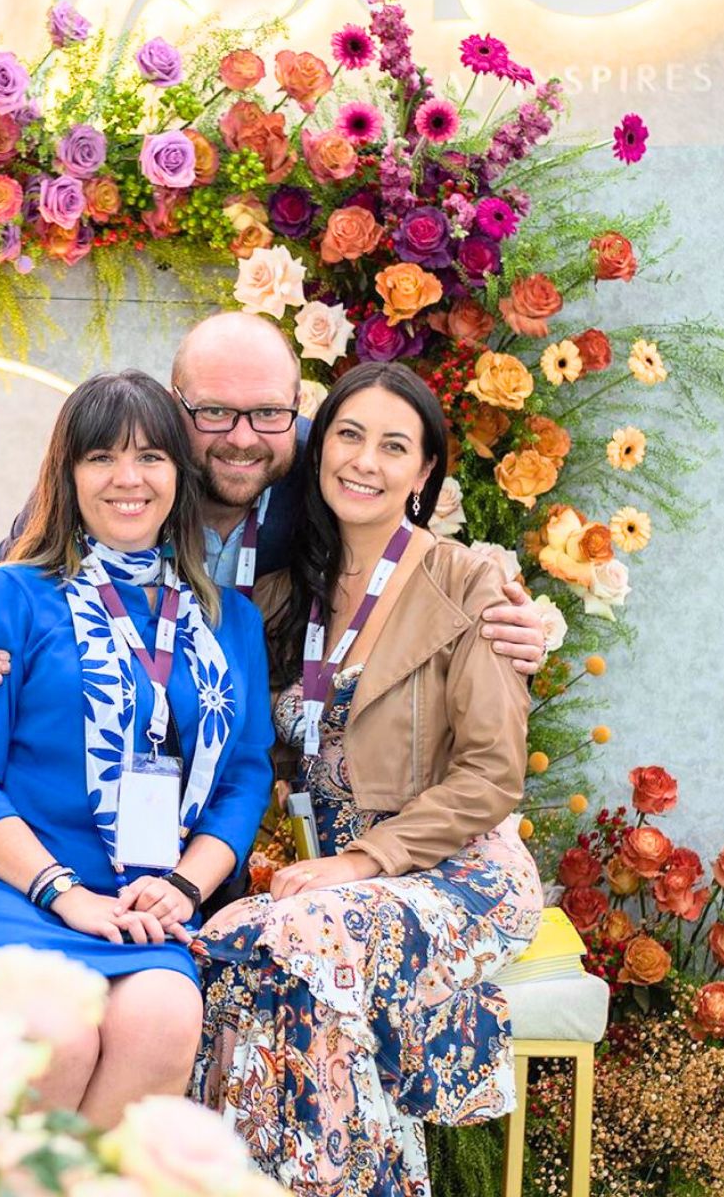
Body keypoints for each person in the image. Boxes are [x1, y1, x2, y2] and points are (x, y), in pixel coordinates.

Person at [190, 361, 544, 1196]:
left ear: (424, 473)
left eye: (394, 446)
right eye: (348, 435)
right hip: (332, 886)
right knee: (230, 953)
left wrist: (362, 863)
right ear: (318, 453)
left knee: (305, 943)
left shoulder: (470, 583)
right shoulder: (287, 595)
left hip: (456, 873)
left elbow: (493, 775)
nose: (365, 460)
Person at [0, 370, 274, 1130]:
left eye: (150, 458)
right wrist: (66, 895)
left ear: (180, 474)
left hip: (135, 897)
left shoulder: (230, 619)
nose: (127, 479)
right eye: (100, 457)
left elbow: (244, 777)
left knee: (166, 1018)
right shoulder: (13, 594)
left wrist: (186, 889)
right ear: (66, 477)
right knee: (55, 1037)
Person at [0, 313, 546, 735]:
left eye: (266, 414)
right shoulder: (124, 481)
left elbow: (411, 568)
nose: (241, 439)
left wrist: (502, 632)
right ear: (176, 408)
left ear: (296, 405)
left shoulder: (329, 469)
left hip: (259, 771)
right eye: (213, 414)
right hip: (113, 757)